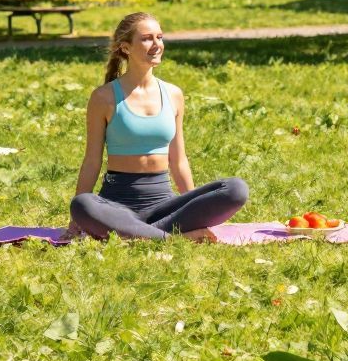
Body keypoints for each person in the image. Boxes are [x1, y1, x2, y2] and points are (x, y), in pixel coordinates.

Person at [69, 13, 249, 240]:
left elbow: (178, 159)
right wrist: (75, 219)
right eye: (146, 39)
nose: (156, 45)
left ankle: (139, 235)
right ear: (125, 48)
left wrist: (192, 205)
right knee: (82, 204)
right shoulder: (104, 97)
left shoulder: (173, 94)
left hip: (164, 206)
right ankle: (175, 238)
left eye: (159, 37)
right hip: (117, 206)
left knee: (235, 189)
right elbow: (92, 160)